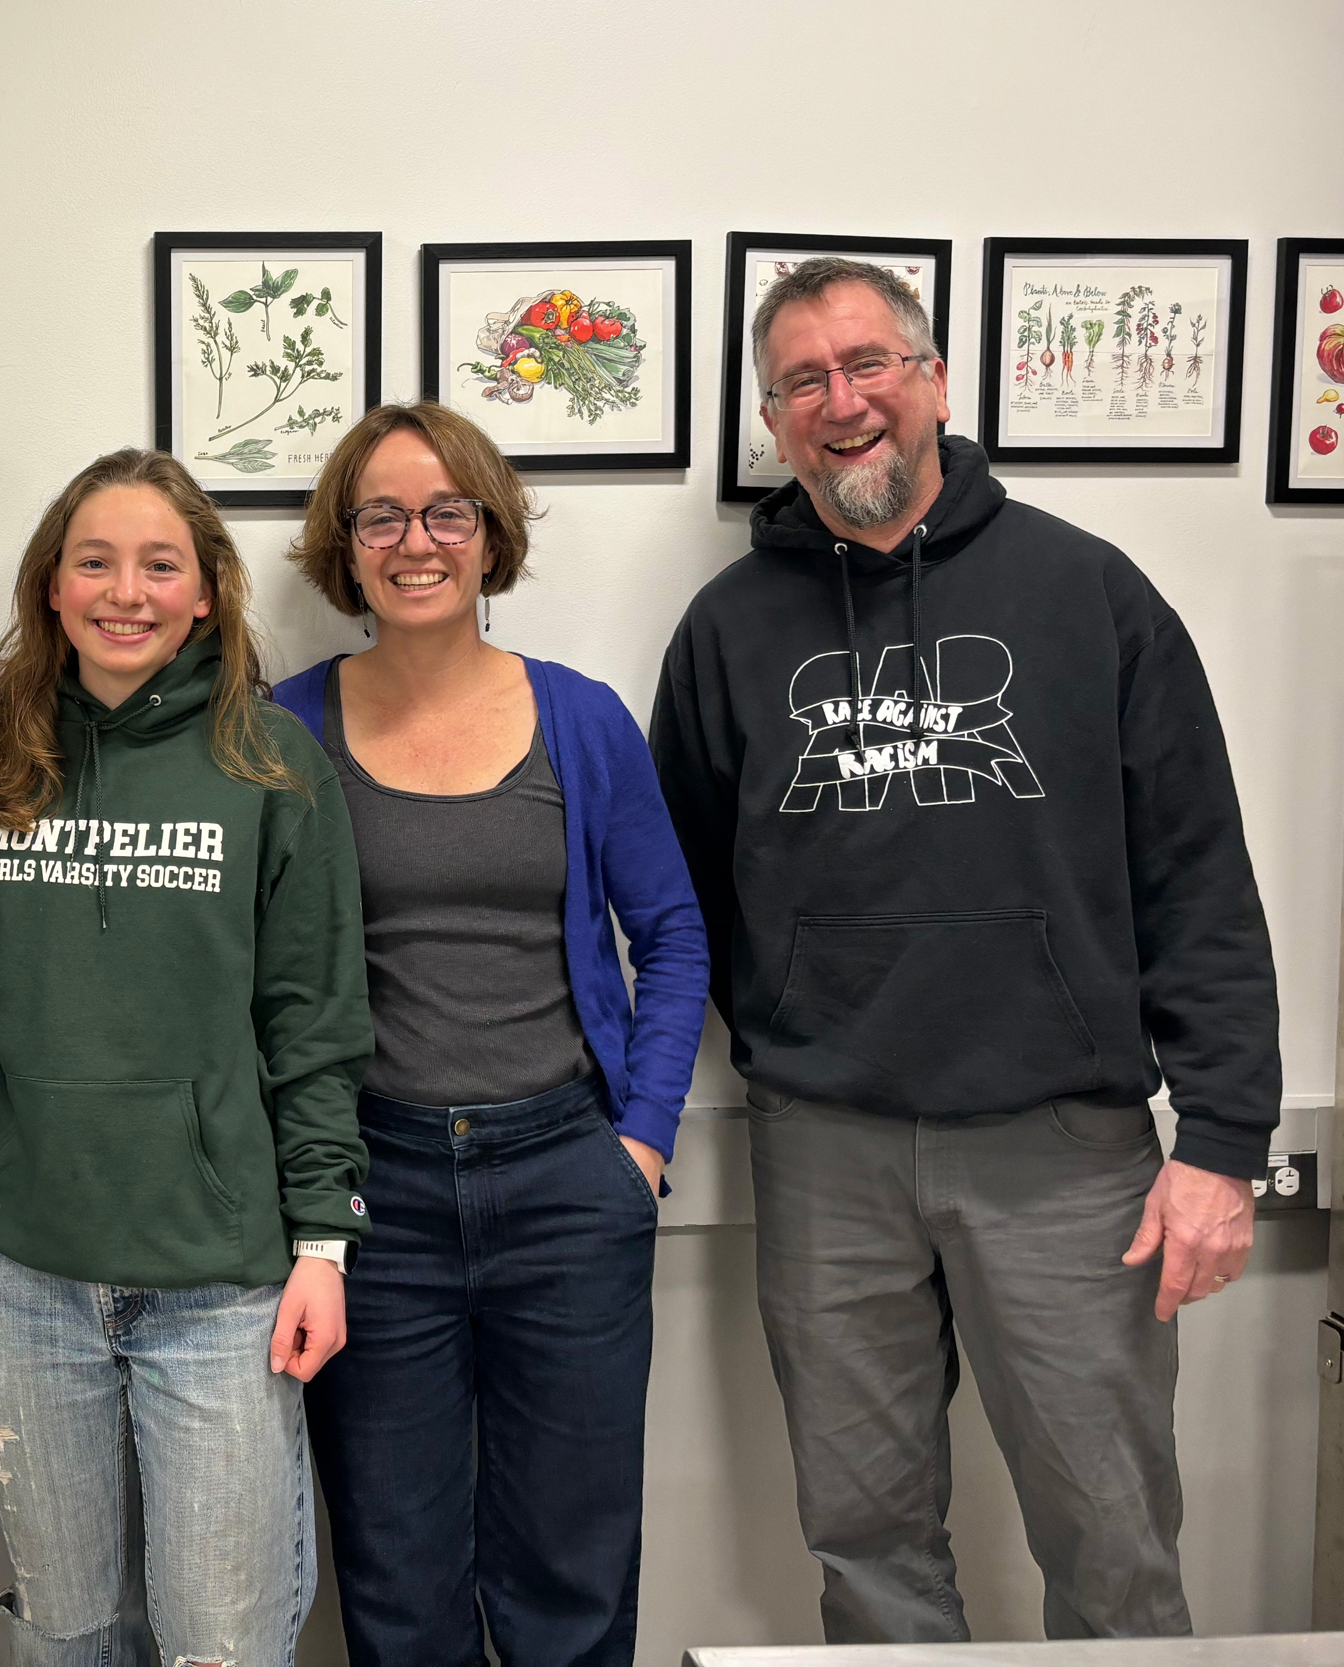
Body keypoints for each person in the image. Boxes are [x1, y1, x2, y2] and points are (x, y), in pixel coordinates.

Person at [649, 256, 1278, 1642]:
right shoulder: (728, 631)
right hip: (824, 1142)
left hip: (1065, 1146)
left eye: (870, 363)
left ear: (933, 379)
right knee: (866, 1538)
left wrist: (1225, 1136)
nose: (844, 400)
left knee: (1111, 1534)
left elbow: (1199, 874)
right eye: (805, 379)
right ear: (776, 417)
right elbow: (681, 893)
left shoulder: (1088, 593)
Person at [269, 402, 708, 1667]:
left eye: (448, 510)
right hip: (371, 1196)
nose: (418, 539)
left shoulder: (580, 717)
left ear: (490, 533)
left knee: (569, 1566)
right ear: (344, 546)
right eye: (383, 515)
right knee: (398, 1573)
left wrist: (639, 1141)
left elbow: (671, 934)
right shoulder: (285, 731)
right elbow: (264, 980)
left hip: (567, 1178)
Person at [0, 447, 371, 1667]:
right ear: (49, 585)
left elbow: (316, 1023)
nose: (123, 590)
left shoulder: (272, 765)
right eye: (94, 560)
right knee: (67, 1631)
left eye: (158, 563)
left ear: (205, 593)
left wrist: (323, 1246)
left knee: (219, 1643)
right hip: (24, 1271)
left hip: (221, 1284)